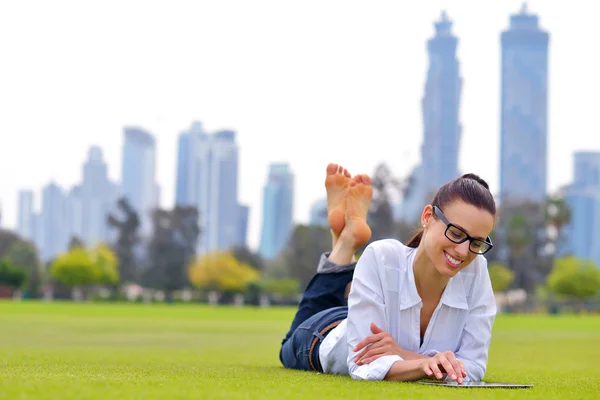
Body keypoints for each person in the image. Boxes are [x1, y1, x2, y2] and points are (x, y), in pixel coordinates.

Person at [279, 163, 497, 383]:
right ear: (428, 217)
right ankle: (345, 242)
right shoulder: (382, 257)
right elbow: (362, 363)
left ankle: (343, 238)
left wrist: (404, 355)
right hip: (327, 332)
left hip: (362, 316)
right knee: (288, 344)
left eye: (476, 243)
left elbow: (474, 366)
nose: (462, 251)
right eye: (456, 233)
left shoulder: (477, 271)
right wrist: (424, 363)